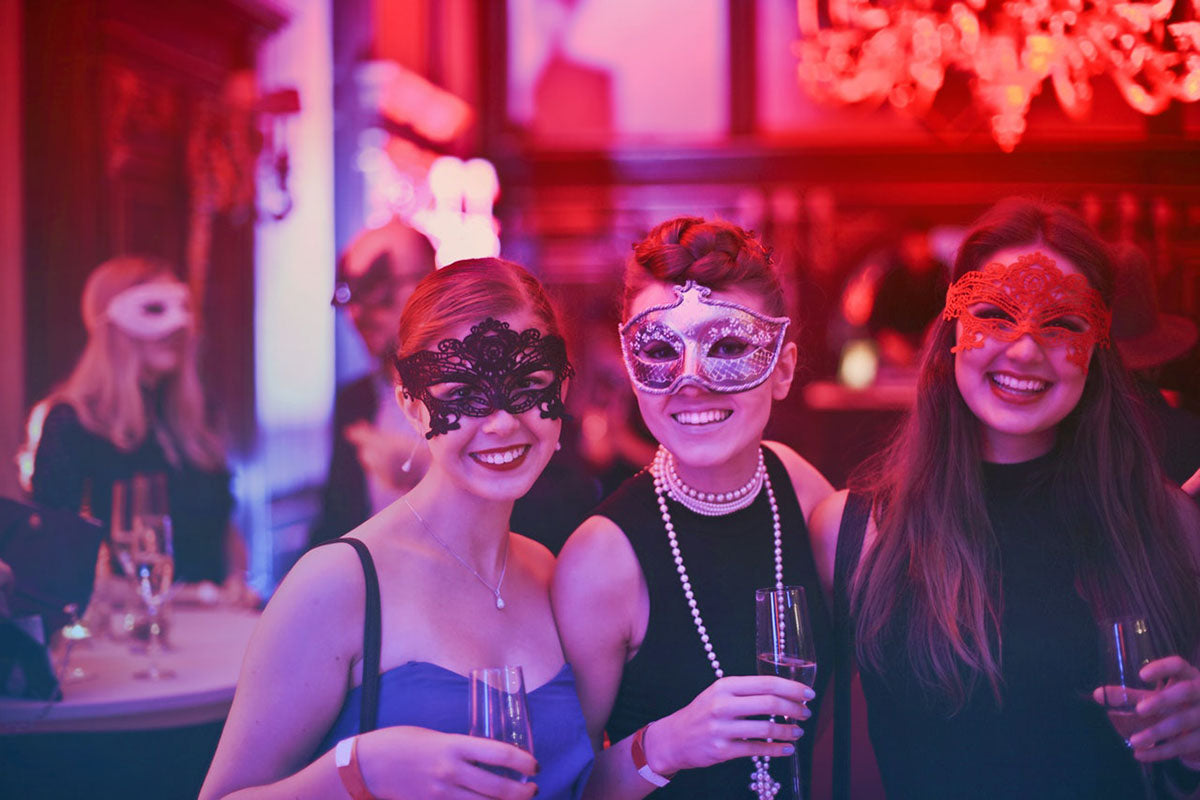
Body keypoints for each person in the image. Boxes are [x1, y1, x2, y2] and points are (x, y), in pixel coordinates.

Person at [810, 198, 1200, 799]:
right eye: (995, 314)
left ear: (1098, 349)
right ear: (952, 331)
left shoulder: (1171, 524)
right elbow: (789, 755)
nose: (1023, 350)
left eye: (1063, 323)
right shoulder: (853, 530)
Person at [200, 258, 593, 800]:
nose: (502, 422)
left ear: (562, 390)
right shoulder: (339, 582)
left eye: (528, 384)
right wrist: (357, 772)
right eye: (462, 395)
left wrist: (659, 751)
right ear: (411, 406)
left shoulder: (550, 574)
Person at [553, 217, 834, 799]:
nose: (691, 382)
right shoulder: (602, 559)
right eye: (659, 351)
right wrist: (667, 745)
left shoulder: (799, 488)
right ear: (634, 374)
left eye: (729, 347)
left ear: (782, 370)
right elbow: (564, 787)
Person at [19, 255, 251, 601]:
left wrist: (234, 585)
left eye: (183, 307)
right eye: (154, 309)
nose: (177, 326)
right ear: (110, 324)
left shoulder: (197, 420)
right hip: (125, 636)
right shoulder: (73, 423)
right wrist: (193, 597)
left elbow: (224, 531)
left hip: (214, 631)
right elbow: (54, 564)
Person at [309, 218, 439, 549]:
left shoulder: (484, 393)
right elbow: (333, 526)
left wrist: (428, 472)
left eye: (378, 290)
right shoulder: (354, 401)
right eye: (350, 294)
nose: (357, 312)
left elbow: (551, 511)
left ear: (427, 286)